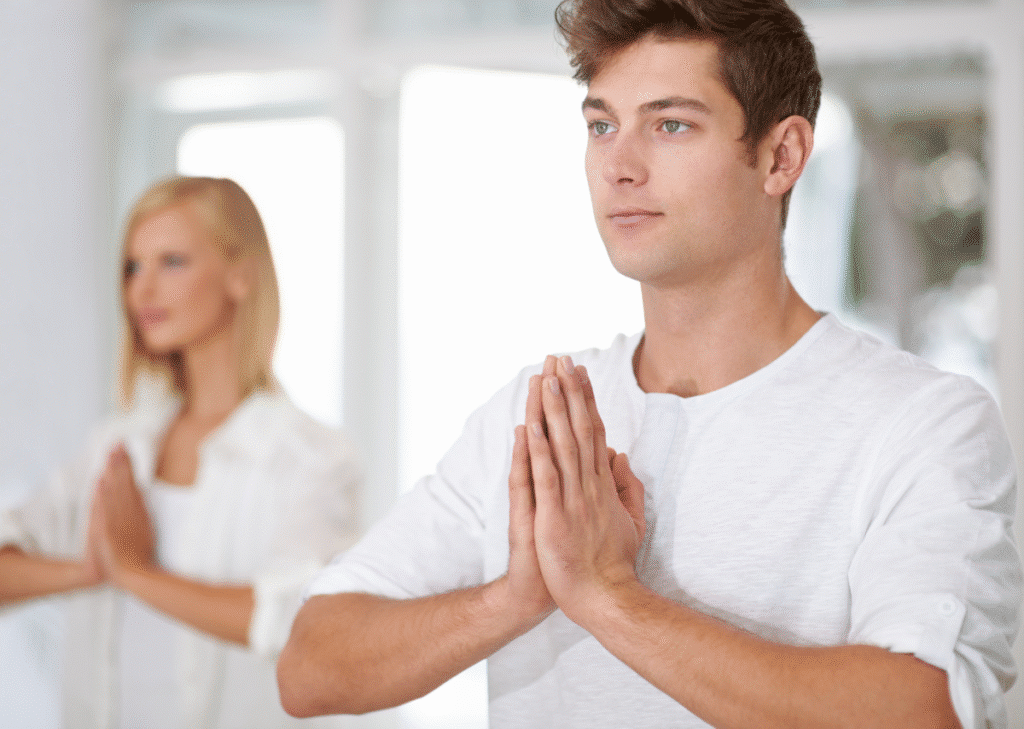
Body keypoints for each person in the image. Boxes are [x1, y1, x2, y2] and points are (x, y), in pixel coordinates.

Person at [276, 1, 1022, 727]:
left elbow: (921, 710)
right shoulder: (541, 412)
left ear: (781, 156)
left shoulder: (921, 423)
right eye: (602, 125)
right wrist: (515, 597)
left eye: (671, 125)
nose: (620, 166)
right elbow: (310, 667)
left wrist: (607, 595)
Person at [0, 176, 361, 728]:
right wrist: (92, 569)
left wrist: (135, 573)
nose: (142, 290)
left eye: (172, 262)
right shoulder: (115, 448)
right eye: (132, 266)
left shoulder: (313, 457)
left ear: (241, 275)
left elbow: (299, 622)